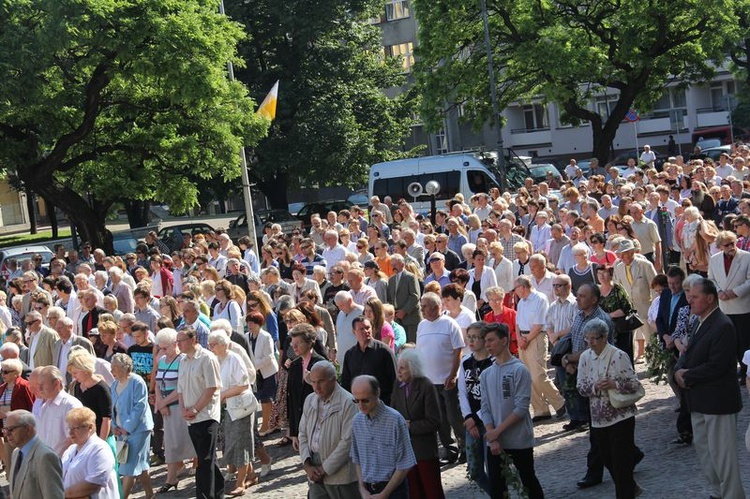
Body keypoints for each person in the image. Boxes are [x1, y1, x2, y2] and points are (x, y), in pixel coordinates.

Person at [674, 278, 745, 499]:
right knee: (706, 454)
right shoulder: (698, 321)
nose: (689, 300)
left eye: (694, 297)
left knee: (723, 457)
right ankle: (717, 492)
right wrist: (678, 370)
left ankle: (732, 495)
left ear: (710, 298)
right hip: (699, 400)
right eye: (689, 296)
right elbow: (686, 353)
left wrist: (687, 375)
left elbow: (719, 365)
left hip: (718, 402)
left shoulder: (722, 325)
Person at [577, 319, 642, 498]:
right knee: (608, 460)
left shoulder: (618, 355)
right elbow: (581, 387)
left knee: (621, 462)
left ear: (604, 337)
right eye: (587, 339)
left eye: (594, 339)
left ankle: (625, 493)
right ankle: (630, 486)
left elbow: (634, 385)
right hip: (598, 418)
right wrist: (595, 387)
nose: (590, 343)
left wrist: (614, 383)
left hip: (621, 416)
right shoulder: (585, 357)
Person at [479, 322, 545, 499]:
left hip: (518, 440)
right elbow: (484, 407)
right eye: (485, 341)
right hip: (495, 441)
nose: (487, 345)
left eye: (491, 340)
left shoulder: (519, 370)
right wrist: (492, 435)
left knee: (528, 481)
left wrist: (496, 432)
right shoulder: (486, 374)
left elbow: (522, 407)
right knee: (497, 487)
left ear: (504, 340)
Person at [416, 292, 465, 464]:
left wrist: (452, 375)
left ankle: (465, 447)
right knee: (440, 419)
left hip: (447, 380)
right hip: (429, 382)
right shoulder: (421, 325)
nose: (421, 310)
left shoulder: (449, 324)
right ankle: (449, 449)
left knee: (454, 415)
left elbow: (458, 350)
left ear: (436, 307)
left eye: (424, 307)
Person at [298, 361, 360, 498]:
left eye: (321, 382)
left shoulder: (348, 402)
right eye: (313, 382)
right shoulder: (310, 400)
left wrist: (324, 469)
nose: (316, 387)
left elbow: (347, 442)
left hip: (341, 474)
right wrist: (307, 464)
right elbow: (302, 434)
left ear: (333, 380)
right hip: (314, 469)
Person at [349, 375, 416, 499]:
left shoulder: (395, 420)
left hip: (394, 490)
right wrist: (362, 488)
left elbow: (405, 463)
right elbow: (357, 458)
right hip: (368, 489)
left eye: (365, 400)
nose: (360, 406)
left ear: (377, 393)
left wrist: (384, 494)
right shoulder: (357, 421)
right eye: (356, 400)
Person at [391, 349, 445, 499]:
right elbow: (393, 411)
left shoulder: (426, 386)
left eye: (403, 368)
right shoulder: (398, 385)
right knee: (413, 492)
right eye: (398, 367)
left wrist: (410, 426)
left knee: (432, 490)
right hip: (405, 450)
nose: (399, 371)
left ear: (413, 368)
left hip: (424, 449)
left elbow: (434, 422)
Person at [208, 330, 257, 496]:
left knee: (241, 444)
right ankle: (251, 474)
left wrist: (223, 394)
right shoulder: (216, 360)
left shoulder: (234, 358)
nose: (211, 347)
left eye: (213, 344)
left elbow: (243, 385)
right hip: (228, 408)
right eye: (210, 344)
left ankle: (240, 483)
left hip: (240, 407)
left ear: (223, 345)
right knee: (233, 441)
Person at [177, 326, 224, 499]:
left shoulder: (207, 358)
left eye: (181, 340)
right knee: (208, 458)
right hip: (190, 416)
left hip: (206, 415)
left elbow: (212, 387)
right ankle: (218, 493)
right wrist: (183, 409)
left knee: (204, 460)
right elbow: (180, 388)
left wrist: (195, 409)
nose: (178, 344)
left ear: (192, 339)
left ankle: (204, 496)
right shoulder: (182, 360)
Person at [513, 275, 566, 422]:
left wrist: (527, 339)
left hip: (536, 338)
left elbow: (539, 324)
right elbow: (517, 323)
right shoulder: (521, 302)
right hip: (523, 339)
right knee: (528, 377)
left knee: (538, 375)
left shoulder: (540, 299)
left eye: (515, 288)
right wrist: (519, 339)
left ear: (523, 287)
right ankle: (540, 410)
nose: (514, 291)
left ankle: (560, 402)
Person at [153, 328, 195, 492]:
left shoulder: (182, 360)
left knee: (182, 441)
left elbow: (181, 387)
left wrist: (164, 403)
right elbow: (157, 382)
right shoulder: (162, 359)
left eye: (164, 347)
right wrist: (159, 403)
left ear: (175, 344)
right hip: (166, 407)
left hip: (178, 406)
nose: (162, 351)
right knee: (170, 442)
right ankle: (172, 476)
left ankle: (178, 474)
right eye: (160, 348)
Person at [707, 230, 750, 381]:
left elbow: (749, 280)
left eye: (732, 243)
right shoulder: (715, 259)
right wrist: (719, 292)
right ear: (720, 247)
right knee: (730, 341)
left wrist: (734, 292)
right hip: (725, 306)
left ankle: (746, 370)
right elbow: (711, 278)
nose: (731, 247)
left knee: (744, 340)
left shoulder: (746, 257)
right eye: (727, 245)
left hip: (742, 306)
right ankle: (735, 369)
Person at [110, 353, 154, 499]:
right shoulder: (114, 384)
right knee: (139, 463)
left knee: (129, 467)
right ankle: (150, 494)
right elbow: (113, 407)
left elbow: (139, 406)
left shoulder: (137, 382)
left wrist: (127, 427)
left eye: (114, 367)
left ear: (124, 368)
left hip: (139, 430)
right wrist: (114, 426)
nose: (111, 370)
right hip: (121, 431)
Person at [457, 322, 492, 494]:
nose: (470, 340)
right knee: (474, 470)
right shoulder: (465, 362)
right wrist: (468, 418)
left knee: (492, 467)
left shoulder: (492, 363)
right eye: (469, 337)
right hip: (471, 422)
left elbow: (490, 397)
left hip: (488, 421)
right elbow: (462, 392)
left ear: (485, 340)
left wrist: (476, 418)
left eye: (475, 337)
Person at [60, 407, 119, 499]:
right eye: (69, 428)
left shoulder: (100, 449)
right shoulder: (70, 450)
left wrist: (62, 494)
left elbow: (93, 484)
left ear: (90, 427)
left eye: (75, 428)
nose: (70, 433)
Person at [6, 409, 64, 499]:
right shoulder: (16, 453)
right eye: (5, 430)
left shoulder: (46, 456)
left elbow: (54, 495)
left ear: (28, 429)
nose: (7, 434)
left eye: (11, 429)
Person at [287, 323, 326, 452]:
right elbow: (291, 400)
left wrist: (312, 383)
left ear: (310, 343)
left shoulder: (321, 363)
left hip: (320, 423)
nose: (294, 346)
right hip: (302, 425)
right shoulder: (294, 365)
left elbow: (330, 394)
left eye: (299, 342)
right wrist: (294, 432)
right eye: (293, 343)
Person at [37, 365, 83, 455]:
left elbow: (75, 440)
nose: (39, 389)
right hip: (47, 462)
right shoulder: (44, 407)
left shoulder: (71, 405)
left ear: (56, 384)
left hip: (63, 464)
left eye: (42, 384)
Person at [246, 312, 279, 436]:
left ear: (259, 324)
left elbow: (269, 357)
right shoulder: (246, 336)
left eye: (252, 322)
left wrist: (253, 366)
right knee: (260, 398)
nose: (250, 325)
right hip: (255, 375)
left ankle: (267, 425)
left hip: (268, 372)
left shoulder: (266, 336)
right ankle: (268, 423)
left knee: (267, 398)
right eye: (248, 322)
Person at [0, 359, 34, 471]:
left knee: (24, 464)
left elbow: (32, 407)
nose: (2, 374)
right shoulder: (2, 388)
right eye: (2, 371)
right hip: (7, 432)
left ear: (16, 372)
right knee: (11, 464)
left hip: (22, 431)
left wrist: (8, 413)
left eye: (6, 372)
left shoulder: (24, 386)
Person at [387, 254, 422, 342]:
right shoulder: (391, 280)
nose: (393, 267)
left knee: (411, 345)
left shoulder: (410, 277)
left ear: (402, 264)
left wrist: (404, 311)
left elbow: (415, 296)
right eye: (392, 265)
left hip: (411, 318)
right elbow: (390, 298)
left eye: (395, 264)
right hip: (397, 319)